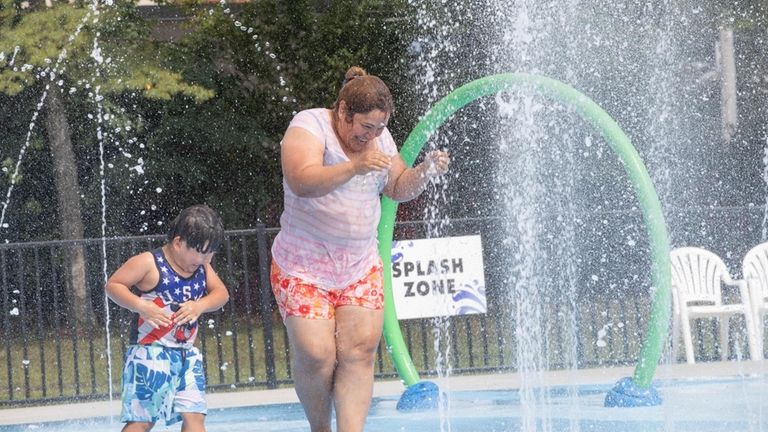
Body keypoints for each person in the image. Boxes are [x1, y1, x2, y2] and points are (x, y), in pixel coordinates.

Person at [270, 66, 450, 432]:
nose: (371, 136)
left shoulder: (379, 141)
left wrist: (424, 172)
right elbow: (300, 180)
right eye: (365, 127)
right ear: (342, 112)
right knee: (318, 355)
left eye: (379, 129)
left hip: (358, 266)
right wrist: (353, 167)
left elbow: (398, 186)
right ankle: (320, 428)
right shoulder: (310, 126)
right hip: (303, 267)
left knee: (359, 352)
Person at [105, 204, 230, 432]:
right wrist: (141, 306)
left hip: (187, 355)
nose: (205, 258)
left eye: (211, 252)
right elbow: (113, 285)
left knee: (195, 416)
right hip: (149, 353)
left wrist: (200, 304)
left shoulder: (202, 268)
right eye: (200, 251)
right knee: (143, 421)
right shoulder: (149, 263)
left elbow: (221, 294)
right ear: (178, 242)